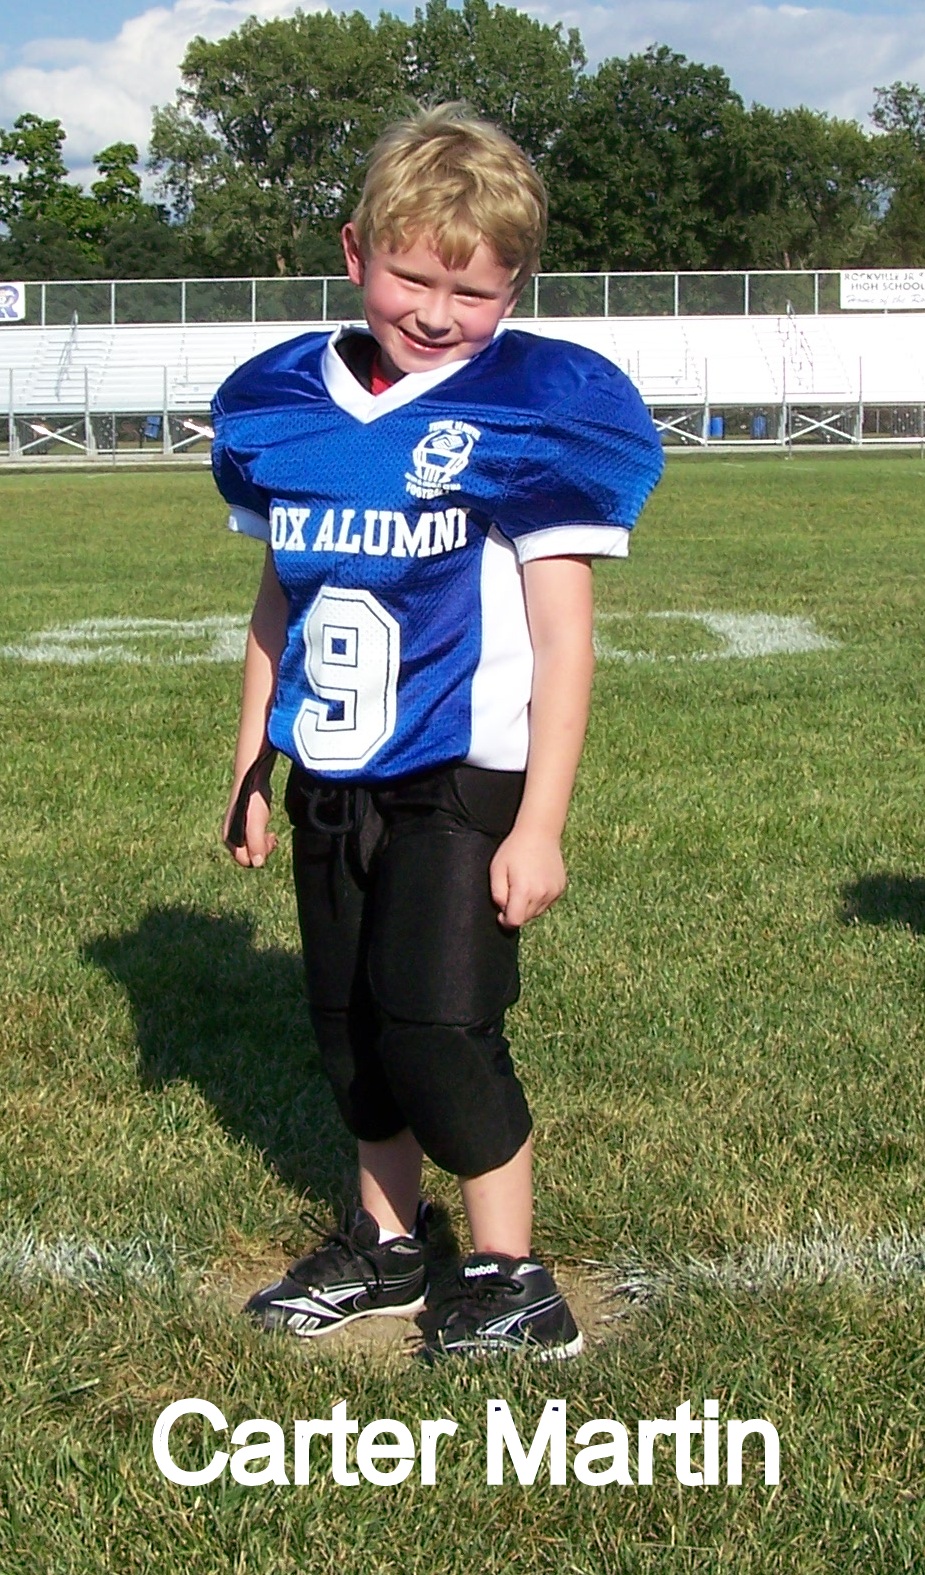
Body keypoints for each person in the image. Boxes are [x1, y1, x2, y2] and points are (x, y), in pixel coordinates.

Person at [211, 104, 663, 1360]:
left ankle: (512, 1272)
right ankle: (388, 1242)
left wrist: (541, 824)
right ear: (355, 251)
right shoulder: (281, 403)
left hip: (462, 777)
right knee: (350, 1026)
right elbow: (279, 601)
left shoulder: (536, 407)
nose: (434, 311)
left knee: (439, 1027)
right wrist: (251, 762)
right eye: (411, 277)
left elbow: (565, 640)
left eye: (472, 291)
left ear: (517, 288)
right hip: (333, 768)